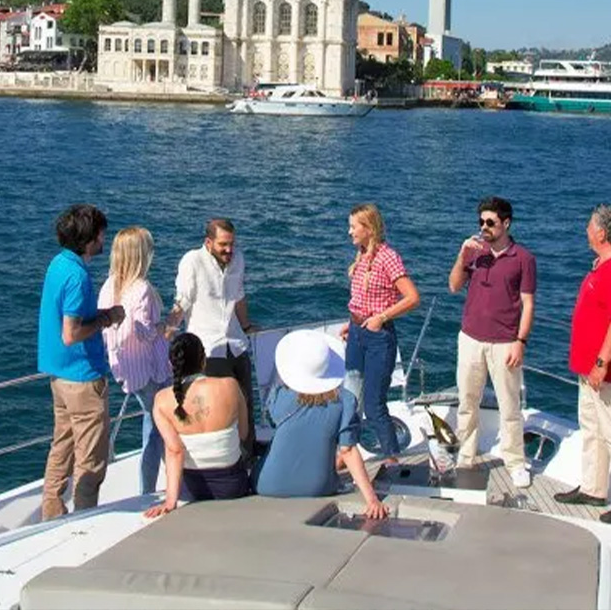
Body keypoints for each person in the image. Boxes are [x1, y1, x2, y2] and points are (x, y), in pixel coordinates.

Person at [554, 204, 611, 524]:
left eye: (589, 226)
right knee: (593, 428)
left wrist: (601, 362)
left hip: (610, 371)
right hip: (592, 370)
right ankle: (594, 488)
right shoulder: (605, 266)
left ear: (602, 233)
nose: (585, 230)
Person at [38, 204, 124, 521]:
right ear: (89, 239)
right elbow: (71, 333)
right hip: (83, 377)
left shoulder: (58, 264)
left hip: (59, 376)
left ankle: (51, 509)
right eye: (101, 234)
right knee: (91, 458)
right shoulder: (78, 276)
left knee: (62, 444)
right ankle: (82, 520)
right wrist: (108, 317)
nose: (104, 239)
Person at [447, 196, 536, 487]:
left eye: (490, 222)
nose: (483, 227)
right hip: (470, 338)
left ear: (506, 223)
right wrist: (462, 255)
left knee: (509, 406)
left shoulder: (523, 258)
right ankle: (466, 454)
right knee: (467, 401)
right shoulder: (475, 252)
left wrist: (520, 341)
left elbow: (528, 303)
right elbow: (454, 285)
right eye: (481, 222)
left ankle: (515, 462)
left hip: (504, 343)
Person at [254, 329, 388, 519]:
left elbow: (273, 420)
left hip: (268, 484)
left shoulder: (279, 396)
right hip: (318, 487)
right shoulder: (346, 401)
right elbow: (347, 451)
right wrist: (372, 499)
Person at [166, 218, 257, 453]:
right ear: (208, 242)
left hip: (236, 344)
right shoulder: (192, 261)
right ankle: (221, 460)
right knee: (218, 408)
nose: (229, 250)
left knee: (246, 405)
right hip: (208, 348)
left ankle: (246, 460)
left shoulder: (238, 260)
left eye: (232, 244)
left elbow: (238, 297)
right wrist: (170, 325)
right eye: (223, 244)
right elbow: (183, 299)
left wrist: (246, 327)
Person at [340, 204, 420, 460]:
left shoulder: (388, 257)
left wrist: (380, 318)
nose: (349, 231)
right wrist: (352, 320)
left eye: (354, 226)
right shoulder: (362, 255)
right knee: (350, 399)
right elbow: (363, 297)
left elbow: (412, 297)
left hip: (378, 338)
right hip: (356, 331)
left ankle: (391, 458)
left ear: (369, 228)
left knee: (374, 405)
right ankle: (346, 453)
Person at [97, 226, 170, 495]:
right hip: (150, 369)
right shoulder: (141, 289)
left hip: (127, 368)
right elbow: (144, 330)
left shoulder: (109, 286)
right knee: (158, 429)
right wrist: (165, 327)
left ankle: (161, 483)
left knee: (153, 426)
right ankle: (153, 488)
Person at [144, 333, 250, 517]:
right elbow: (243, 433)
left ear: (171, 364)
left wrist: (171, 501)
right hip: (232, 486)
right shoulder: (230, 385)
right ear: (203, 359)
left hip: (190, 490)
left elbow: (175, 451)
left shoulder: (161, 400)